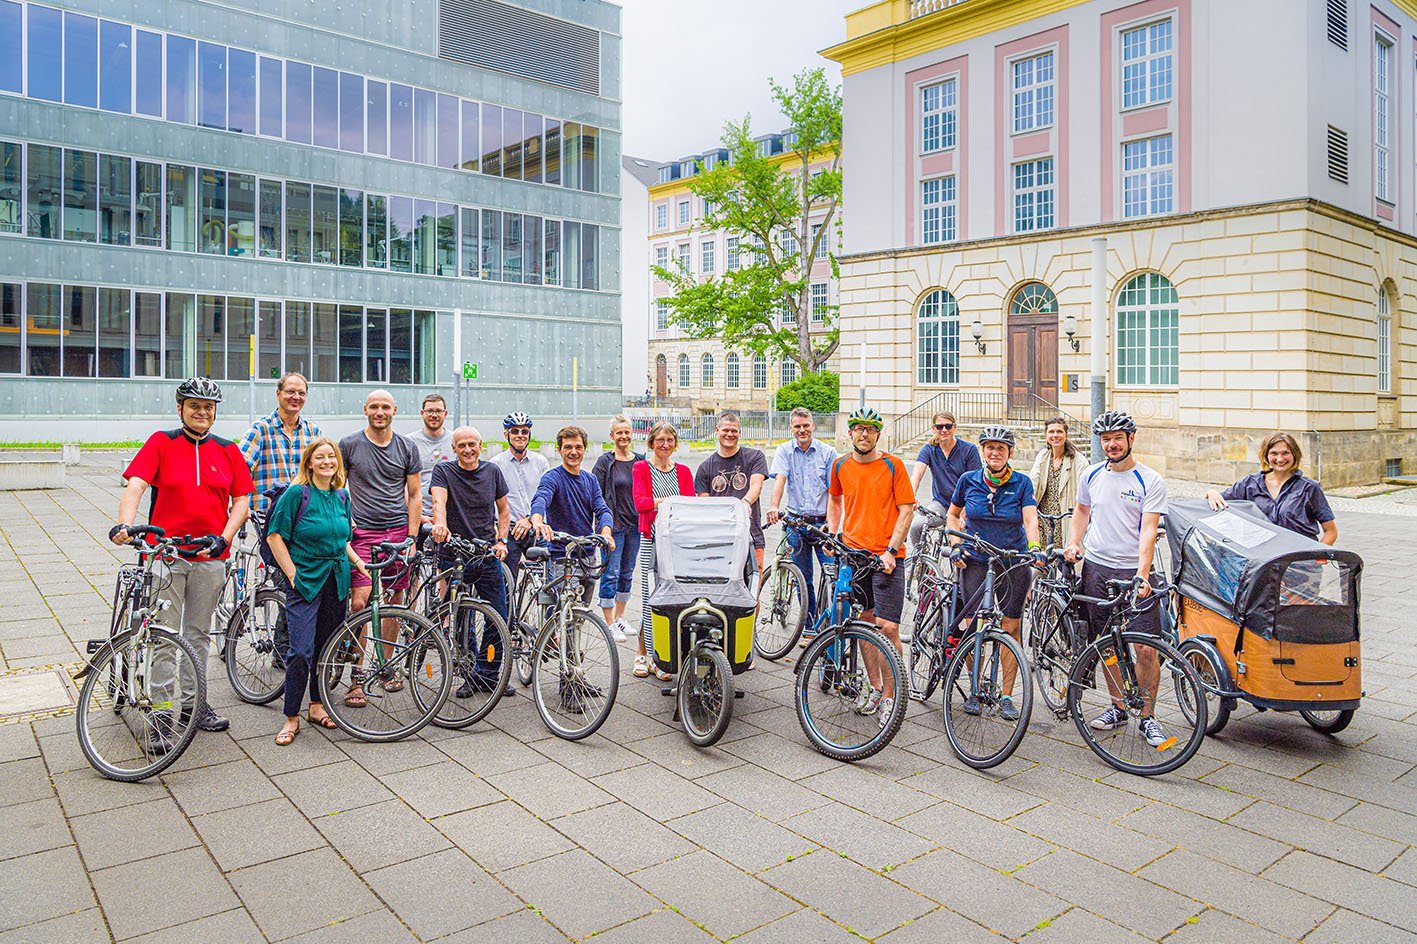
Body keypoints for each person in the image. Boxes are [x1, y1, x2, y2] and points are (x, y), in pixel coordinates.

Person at [111, 378, 253, 734]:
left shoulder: (228, 450)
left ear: (215, 411)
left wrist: (225, 537)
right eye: (194, 406)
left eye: (208, 407)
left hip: (209, 556)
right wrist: (124, 525)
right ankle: (160, 712)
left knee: (198, 635)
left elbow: (242, 502)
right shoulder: (162, 442)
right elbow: (137, 484)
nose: (201, 412)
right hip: (167, 555)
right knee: (162, 636)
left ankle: (194, 705)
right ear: (180, 409)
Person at [1064, 410, 1170, 747]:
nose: (1111, 444)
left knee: (1145, 649)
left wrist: (1142, 574)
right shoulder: (1092, 474)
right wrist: (1073, 541)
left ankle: (1149, 717)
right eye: (1106, 439)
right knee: (1106, 644)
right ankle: (1117, 706)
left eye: (1117, 438)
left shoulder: (1149, 480)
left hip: (1133, 571)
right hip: (1096, 568)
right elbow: (1082, 510)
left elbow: (1148, 531)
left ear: (1130, 439)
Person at [263, 438, 368, 746]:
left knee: (326, 649)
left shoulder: (341, 496)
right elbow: (275, 537)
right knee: (300, 651)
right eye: (320, 457)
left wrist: (360, 563)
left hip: (336, 580)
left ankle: (317, 706)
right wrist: (292, 574)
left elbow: (343, 540)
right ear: (309, 463)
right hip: (306, 580)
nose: (327, 462)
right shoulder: (298, 494)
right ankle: (291, 716)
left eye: (331, 457)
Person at [827, 407, 916, 728]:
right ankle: (876, 687)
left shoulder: (894, 466)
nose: (864, 435)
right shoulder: (840, 466)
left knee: (888, 627)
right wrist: (832, 531)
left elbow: (906, 511)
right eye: (858, 429)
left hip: (888, 556)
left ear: (879, 434)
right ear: (850, 433)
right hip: (855, 555)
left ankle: (892, 697)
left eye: (870, 430)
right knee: (864, 622)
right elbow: (835, 501)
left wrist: (892, 550)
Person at [947, 426, 1041, 722]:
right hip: (975, 559)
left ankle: (1006, 695)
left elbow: (1030, 517)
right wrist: (956, 543)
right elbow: (952, 513)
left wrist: (1035, 547)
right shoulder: (968, 480)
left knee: (1011, 628)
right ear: (983, 451)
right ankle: (975, 688)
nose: (995, 452)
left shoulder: (1022, 483)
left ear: (1010, 452)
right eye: (989, 447)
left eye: (1001, 448)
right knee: (973, 623)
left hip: (1012, 560)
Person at [338, 390, 422, 708]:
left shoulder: (406, 447)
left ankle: (385, 667)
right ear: (365, 410)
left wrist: (411, 538)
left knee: (395, 601)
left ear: (395, 410)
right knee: (361, 603)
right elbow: (339, 489)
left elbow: (414, 495)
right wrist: (346, 527)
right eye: (374, 406)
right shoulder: (349, 445)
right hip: (364, 534)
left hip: (399, 532)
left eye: (385, 406)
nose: (379, 411)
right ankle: (356, 676)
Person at [430, 427, 513, 697]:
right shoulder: (444, 471)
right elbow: (438, 500)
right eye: (461, 445)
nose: (467, 450)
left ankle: (488, 674)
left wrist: (501, 540)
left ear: (481, 445)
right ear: (453, 449)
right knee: (461, 617)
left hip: (486, 552)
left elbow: (503, 510)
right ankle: (469, 671)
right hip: (454, 552)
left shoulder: (492, 472)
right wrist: (441, 525)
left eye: (472, 444)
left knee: (498, 615)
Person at [631, 421, 696, 680]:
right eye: (660, 440)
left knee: (671, 597)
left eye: (670, 440)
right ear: (651, 443)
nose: (665, 445)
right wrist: (669, 501)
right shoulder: (641, 468)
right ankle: (642, 653)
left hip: (677, 542)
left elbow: (690, 503)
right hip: (652, 538)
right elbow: (641, 503)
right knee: (650, 597)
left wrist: (666, 504)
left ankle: (661, 656)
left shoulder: (683, 471)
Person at [765, 407, 837, 641]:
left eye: (806, 425)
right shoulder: (785, 451)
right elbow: (780, 480)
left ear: (812, 426)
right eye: (797, 426)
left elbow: (834, 492)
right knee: (803, 580)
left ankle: (831, 624)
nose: (802, 430)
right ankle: (810, 626)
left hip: (822, 524)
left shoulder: (827, 452)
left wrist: (834, 525)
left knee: (831, 576)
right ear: (791, 429)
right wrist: (774, 505)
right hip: (796, 523)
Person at [1204, 432, 1337, 544]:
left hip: (1299, 564)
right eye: (1274, 453)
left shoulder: (1309, 488)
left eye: (1285, 453)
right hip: (1262, 564)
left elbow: (1331, 531)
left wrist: (1315, 559)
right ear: (1266, 455)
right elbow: (1218, 504)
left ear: (1295, 455)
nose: (1280, 459)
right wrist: (1211, 492)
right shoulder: (1249, 484)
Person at [238, 372, 322, 517]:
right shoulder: (260, 429)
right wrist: (239, 502)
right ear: (278, 394)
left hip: (305, 516)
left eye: (301, 393)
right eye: (290, 392)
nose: (296, 397)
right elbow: (239, 469)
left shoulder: (313, 432)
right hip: (269, 516)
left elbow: (322, 473)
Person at [695, 412, 769, 570]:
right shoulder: (704, 467)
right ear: (717, 431)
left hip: (752, 535)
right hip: (719, 540)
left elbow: (756, 485)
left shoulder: (755, 457)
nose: (730, 434)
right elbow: (705, 505)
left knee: (753, 586)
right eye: (726, 430)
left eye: (734, 431)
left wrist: (745, 503)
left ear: (739, 433)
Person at [592, 416, 644, 642]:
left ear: (631, 434)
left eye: (627, 432)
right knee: (610, 574)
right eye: (619, 433)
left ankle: (621, 617)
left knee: (626, 573)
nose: (623, 436)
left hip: (635, 526)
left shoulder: (641, 461)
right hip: (613, 528)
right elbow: (595, 494)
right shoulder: (605, 462)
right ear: (612, 436)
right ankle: (609, 622)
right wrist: (602, 527)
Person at [908, 411, 981, 564]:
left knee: (962, 545)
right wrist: (910, 496)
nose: (944, 430)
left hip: (964, 505)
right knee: (917, 525)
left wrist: (963, 514)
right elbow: (916, 474)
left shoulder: (968, 450)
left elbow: (974, 486)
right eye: (939, 426)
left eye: (948, 426)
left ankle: (959, 580)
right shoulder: (929, 449)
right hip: (941, 504)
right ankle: (923, 564)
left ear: (954, 428)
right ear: (933, 428)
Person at [490, 411, 551, 592]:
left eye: (524, 431)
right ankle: (508, 620)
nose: (520, 436)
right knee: (506, 587)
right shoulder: (496, 464)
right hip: (510, 532)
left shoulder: (541, 462)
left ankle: (547, 618)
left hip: (536, 528)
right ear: (506, 434)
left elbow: (546, 496)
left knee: (549, 583)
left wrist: (530, 519)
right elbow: (490, 500)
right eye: (515, 431)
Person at [1027, 417, 1083, 549]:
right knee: (1041, 561)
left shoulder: (1078, 460)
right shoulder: (1043, 455)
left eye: (1059, 432)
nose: (1055, 435)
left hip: (1065, 518)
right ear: (1046, 435)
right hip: (1044, 519)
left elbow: (1085, 488)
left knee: (1064, 561)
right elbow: (1032, 482)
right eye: (1051, 432)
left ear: (1066, 435)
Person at [409, 393, 454, 523]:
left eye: (438, 411)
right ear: (422, 413)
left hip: (450, 514)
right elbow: (401, 483)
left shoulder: (456, 441)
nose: (434, 415)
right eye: (429, 411)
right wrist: (419, 516)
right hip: (418, 514)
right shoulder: (409, 442)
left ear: (445, 414)